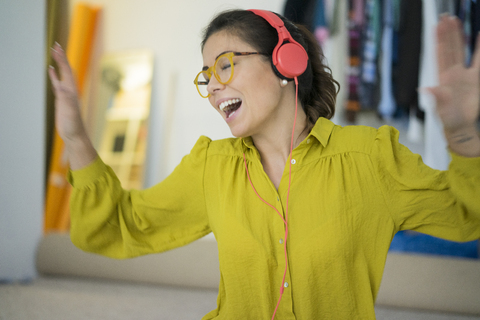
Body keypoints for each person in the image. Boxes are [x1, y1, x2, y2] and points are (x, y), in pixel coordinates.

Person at [48, 9, 480, 320]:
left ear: (284, 63)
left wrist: (462, 133)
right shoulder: (211, 167)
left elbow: (466, 213)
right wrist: (75, 136)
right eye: (206, 77)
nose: (214, 87)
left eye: (225, 66)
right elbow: (121, 224)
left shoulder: (371, 157)